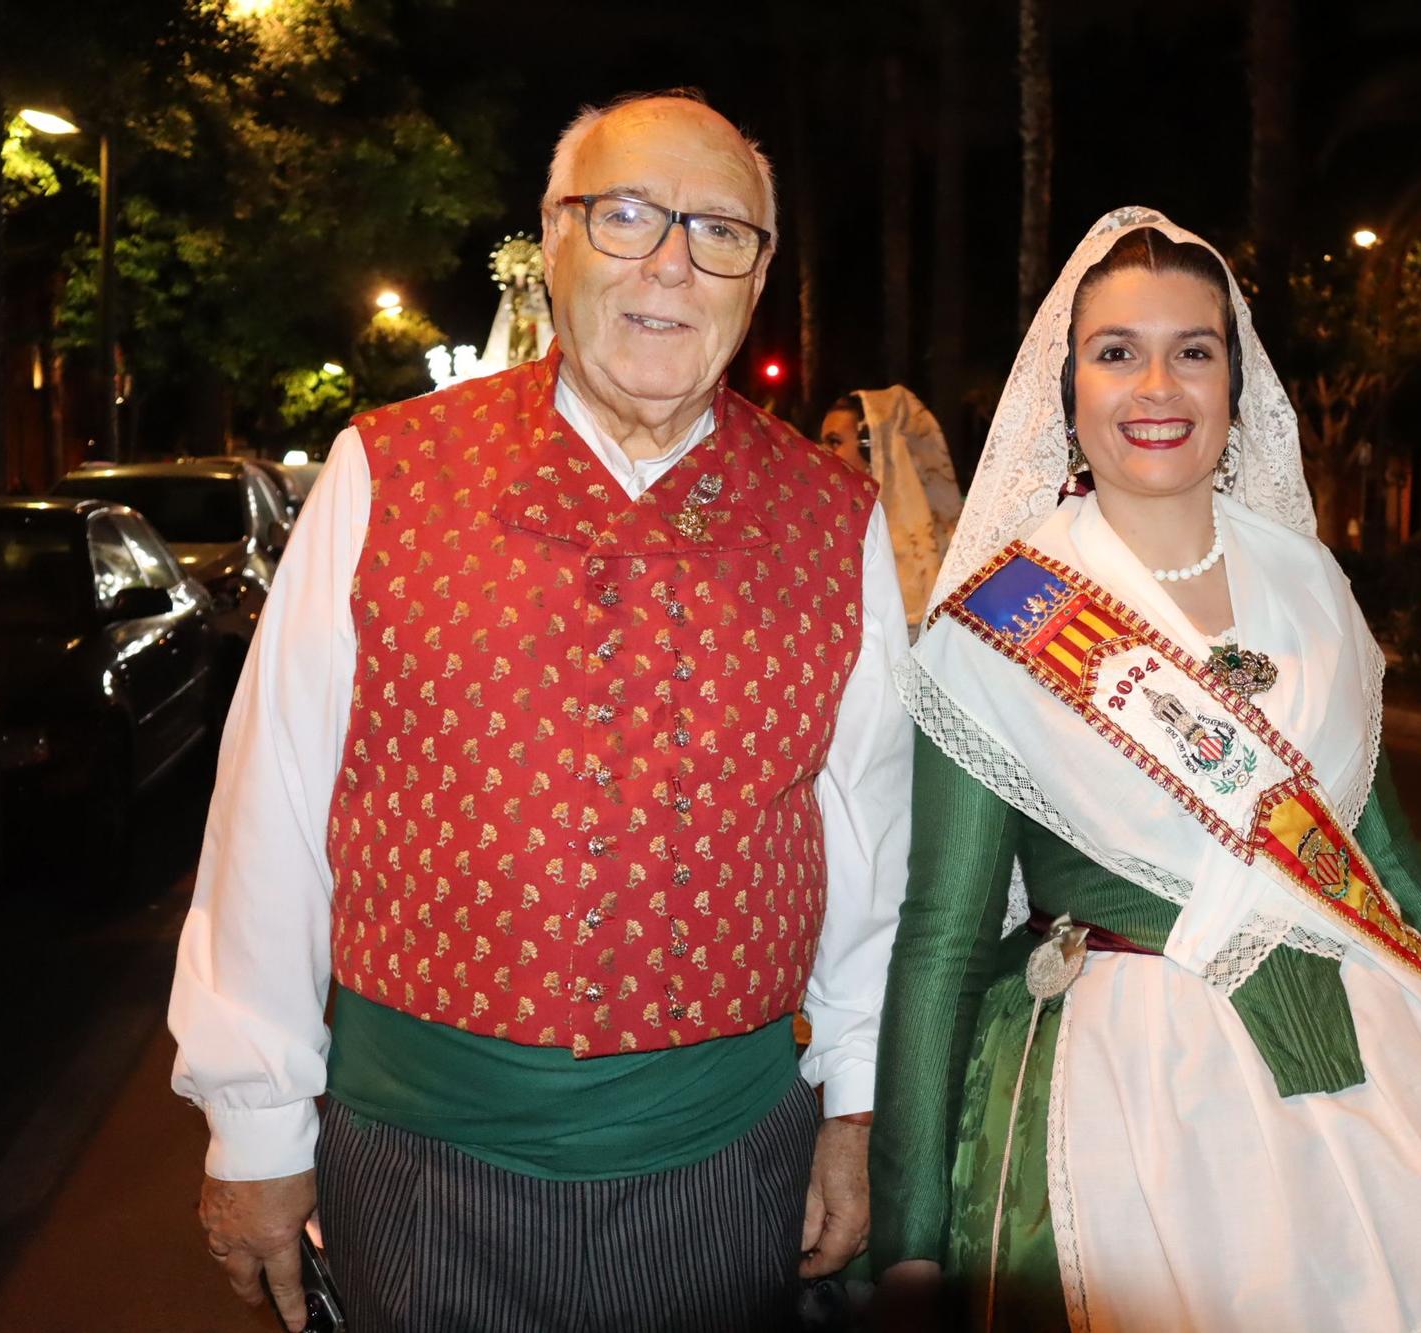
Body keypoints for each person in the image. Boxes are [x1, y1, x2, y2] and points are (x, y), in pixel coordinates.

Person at [171, 89, 913, 1332]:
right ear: (552, 239)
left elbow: (871, 842)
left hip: (727, 1170)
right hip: (416, 1166)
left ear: (759, 272)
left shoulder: (832, 518)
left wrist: (859, 1107)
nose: (669, 262)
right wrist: (253, 1124)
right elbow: (273, 807)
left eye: (718, 231)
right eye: (623, 216)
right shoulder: (386, 472)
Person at [868, 208, 1421, 1331]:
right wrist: (907, 1244)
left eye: (1193, 350)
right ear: (1067, 390)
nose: (1156, 386)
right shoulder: (995, 625)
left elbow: (1377, 848)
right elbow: (941, 939)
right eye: (1115, 352)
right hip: (1135, 1113)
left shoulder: (1308, 584)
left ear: (1236, 386)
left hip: (1387, 1062)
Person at [819, 387, 963, 630]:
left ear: (875, 447)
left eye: (834, 442)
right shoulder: (828, 527)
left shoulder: (949, 545)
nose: (822, 453)